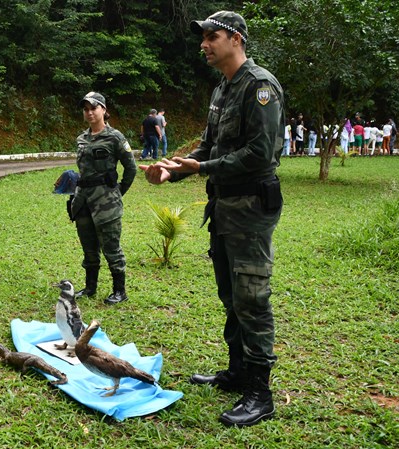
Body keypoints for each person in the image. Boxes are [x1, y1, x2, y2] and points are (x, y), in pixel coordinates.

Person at [141, 11, 284, 427]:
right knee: (230, 295)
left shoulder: (259, 87)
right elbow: (208, 145)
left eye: (212, 36)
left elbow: (262, 153)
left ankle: (261, 392)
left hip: (252, 208)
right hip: (223, 207)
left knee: (252, 298)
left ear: (236, 39)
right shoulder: (223, 88)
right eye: (203, 37)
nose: (204, 44)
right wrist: (173, 169)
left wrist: (200, 169)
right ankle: (238, 371)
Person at [70, 92, 137, 305]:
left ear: (104, 110)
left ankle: (120, 291)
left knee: (111, 248)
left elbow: (131, 168)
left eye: (94, 108)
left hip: (106, 202)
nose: (89, 112)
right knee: (88, 246)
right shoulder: (81, 138)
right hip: (83, 201)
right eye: (86, 109)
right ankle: (90, 288)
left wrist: (117, 192)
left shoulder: (115, 137)